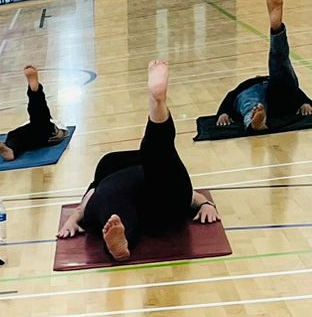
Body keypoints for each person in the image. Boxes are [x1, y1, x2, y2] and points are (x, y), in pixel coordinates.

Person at [58, 59, 217, 261]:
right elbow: (193, 197)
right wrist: (206, 205)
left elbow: (86, 204)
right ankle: (157, 105)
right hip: (167, 203)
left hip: (136, 194)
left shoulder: (109, 164)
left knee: (114, 207)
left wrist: (72, 220)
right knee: (161, 153)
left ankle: (121, 240)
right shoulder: (140, 163)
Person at [212, 0, 311, 134]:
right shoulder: (246, 85)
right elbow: (230, 97)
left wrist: (305, 102)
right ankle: (255, 120)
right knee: (253, 101)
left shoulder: (266, 81)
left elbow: (296, 91)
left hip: (278, 97)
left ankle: (276, 29)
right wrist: (223, 113)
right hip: (262, 95)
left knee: (280, 64)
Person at [0, 65, 64, 163]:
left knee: (36, 120)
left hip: (47, 132)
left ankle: (34, 90)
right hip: (44, 133)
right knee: (14, 134)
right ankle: (10, 151)